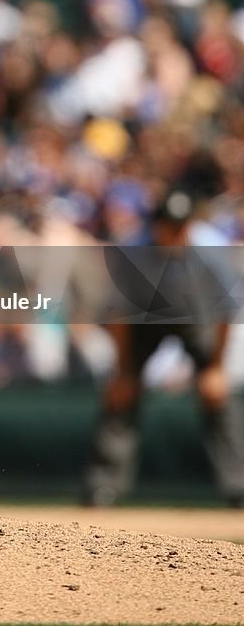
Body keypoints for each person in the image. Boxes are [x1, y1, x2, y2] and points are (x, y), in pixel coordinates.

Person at [82, 174, 244, 508]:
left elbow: (226, 310)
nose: (173, 233)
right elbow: (118, 315)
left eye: (180, 226)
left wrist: (215, 367)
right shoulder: (133, 247)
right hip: (144, 318)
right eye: (168, 225)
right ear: (154, 224)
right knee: (120, 393)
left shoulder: (209, 246)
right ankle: (103, 487)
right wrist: (124, 370)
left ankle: (239, 486)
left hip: (196, 317)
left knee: (217, 395)